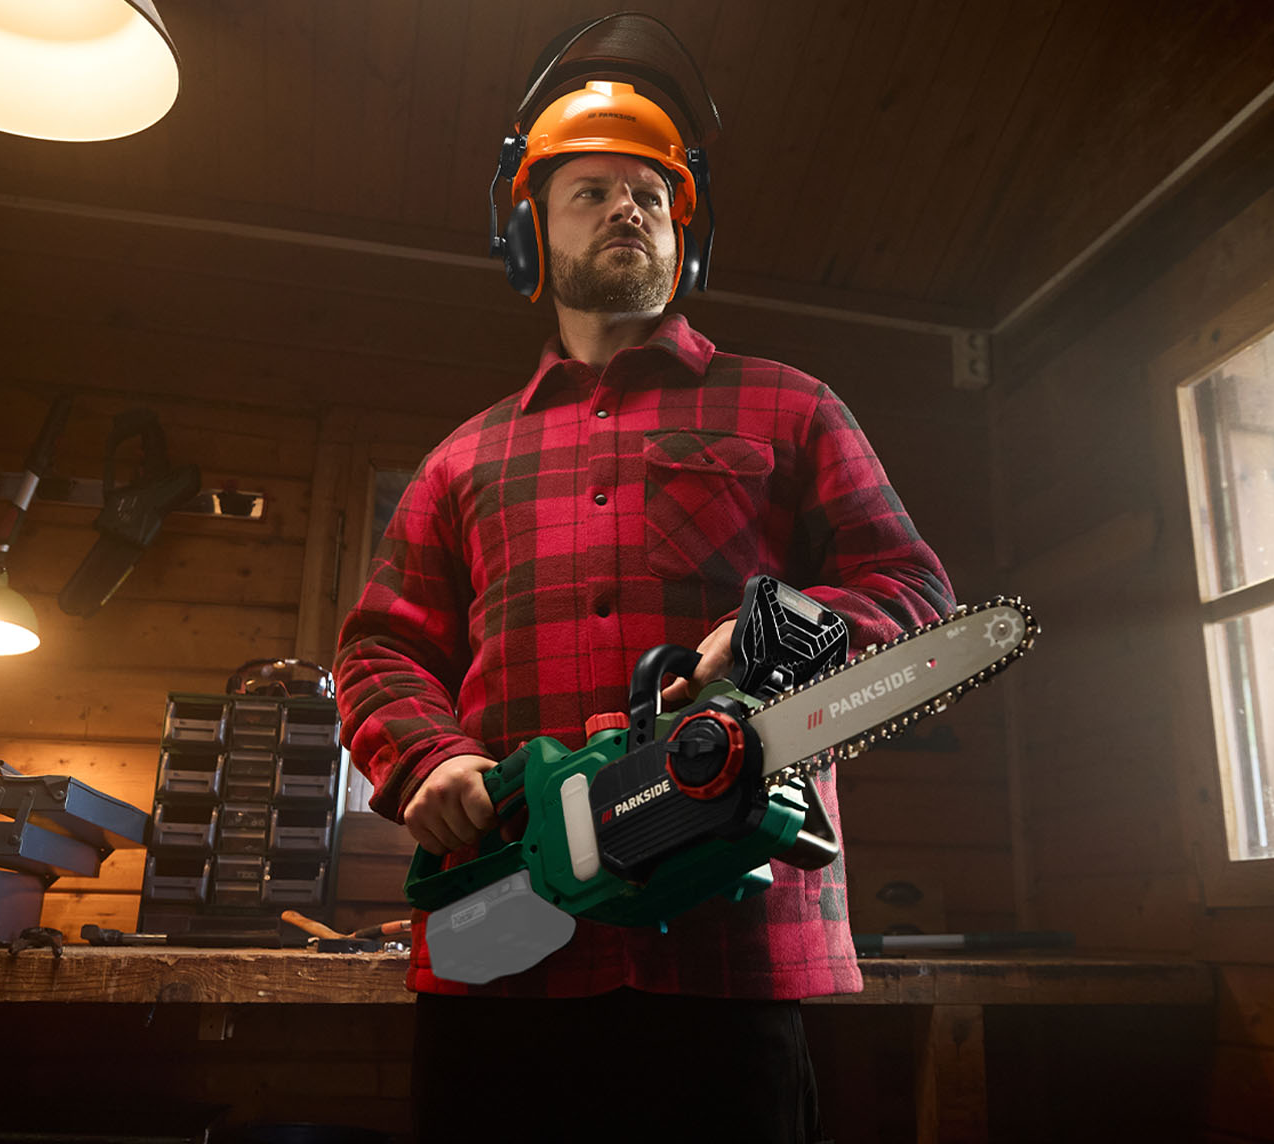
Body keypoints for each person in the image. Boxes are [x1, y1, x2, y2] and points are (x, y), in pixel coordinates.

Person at [334, 67, 954, 1144]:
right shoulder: (462, 458)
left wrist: (773, 636)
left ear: (682, 238)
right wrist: (427, 758)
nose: (627, 208)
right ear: (531, 235)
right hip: (504, 937)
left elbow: (914, 592)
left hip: (730, 933)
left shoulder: (792, 406)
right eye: (592, 191)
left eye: (651, 195)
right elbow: (381, 647)